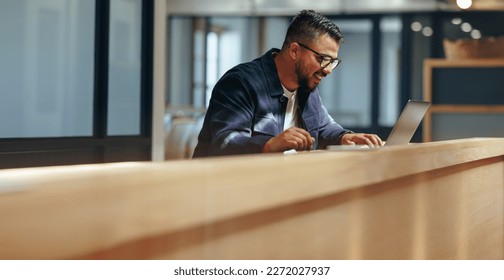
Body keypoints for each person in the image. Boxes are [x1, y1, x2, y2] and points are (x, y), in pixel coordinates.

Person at [193, 9, 382, 158]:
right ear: (294, 51)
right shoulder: (240, 83)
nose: (328, 69)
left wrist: (345, 137)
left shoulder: (306, 87)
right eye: (323, 59)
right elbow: (225, 143)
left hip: (278, 188)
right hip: (225, 194)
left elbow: (323, 127)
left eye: (333, 61)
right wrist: (269, 145)